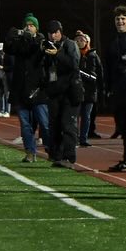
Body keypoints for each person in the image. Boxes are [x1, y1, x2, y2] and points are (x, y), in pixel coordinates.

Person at [6, 14, 49, 163]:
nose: (28, 27)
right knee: (25, 125)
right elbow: (9, 48)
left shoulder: (41, 40)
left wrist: (29, 37)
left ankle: (52, 150)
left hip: (38, 90)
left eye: (31, 25)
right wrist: (16, 34)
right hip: (21, 90)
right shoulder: (19, 42)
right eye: (27, 25)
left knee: (44, 122)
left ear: (36, 28)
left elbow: (38, 49)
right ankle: (30, 152)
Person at [41, 20, 82, 168]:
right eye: (50, 33)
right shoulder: (47, 47)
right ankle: (56, 155)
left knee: (68, 125)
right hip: (54, 92)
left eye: (56, 32)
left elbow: (74, 64)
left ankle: (69, 158)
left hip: (70, 92)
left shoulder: (70, 44)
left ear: (61, 32)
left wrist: (57, 54)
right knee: (55, 125)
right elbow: (46, 70)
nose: (53, 36)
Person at [106, 5, 126, 171]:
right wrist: (107, 88)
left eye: (123, 18)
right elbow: (108, 67)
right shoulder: (113, 41)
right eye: (117, 19)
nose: (120, 21)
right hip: (118, 91)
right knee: (123, 126)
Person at [74, 31, 103, 147]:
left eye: (82, 40)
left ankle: (83, 139)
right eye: (77, 40)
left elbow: (97, 75)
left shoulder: (93, 56)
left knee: (86, 116)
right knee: (74, 117)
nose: (79, 42)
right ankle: (74, 138)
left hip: (90, 92)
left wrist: (102, 88)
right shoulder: (73, 54)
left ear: (87, 42)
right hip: (76, 90)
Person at [0, 42, 11, 118]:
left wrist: (3, 68)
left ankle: (7, 111)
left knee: (7, 95)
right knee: (0, 95)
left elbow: (12, 67)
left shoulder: (9, 56)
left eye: (0, 50)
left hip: (6, 78)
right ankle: (1, 110)